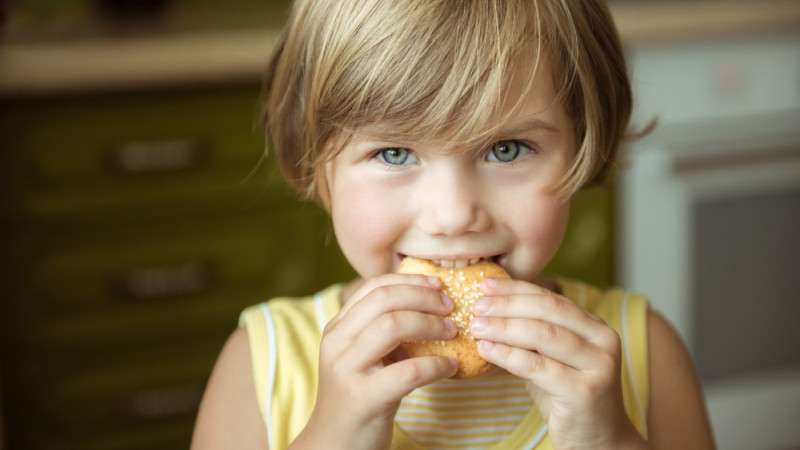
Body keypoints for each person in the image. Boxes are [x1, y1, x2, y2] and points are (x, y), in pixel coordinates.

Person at [191, 0, 716, 449]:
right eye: (394, 153)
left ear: (586, 143)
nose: (453, 215)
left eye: (506, 149)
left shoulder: (642, 353)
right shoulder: (264, 363)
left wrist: (610, 440)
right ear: (314, 161)